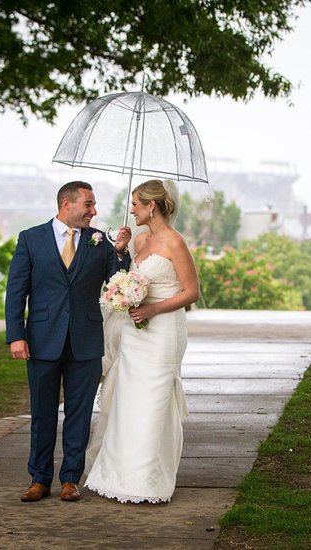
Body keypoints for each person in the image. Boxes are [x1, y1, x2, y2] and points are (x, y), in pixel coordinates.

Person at [5, 180, 131, 503]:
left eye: (94, 204)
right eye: (88, 204)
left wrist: (120, 252)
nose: (94, 211)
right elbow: (16, 292)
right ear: (67, 204)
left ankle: (70, 479)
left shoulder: (99, 241)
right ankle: (39, 478)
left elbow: (118, 280)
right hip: (41, 341)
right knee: (42, 413)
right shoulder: (30, 239)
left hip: (85, 341)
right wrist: (16, 335)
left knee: (79, 412)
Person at [85, 178, 200, 504]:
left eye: (136, 204)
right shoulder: (139, 240)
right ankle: (118, 475)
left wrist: (152, 308)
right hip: (135, 333)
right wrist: (119, 251)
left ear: (152, 206)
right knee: (128, 401)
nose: (131, 209)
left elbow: (191, 292)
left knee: (153, 403)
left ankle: (148, 480)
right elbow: (125, 275)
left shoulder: (176, 243)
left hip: (163, 332)